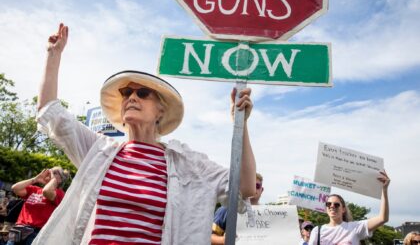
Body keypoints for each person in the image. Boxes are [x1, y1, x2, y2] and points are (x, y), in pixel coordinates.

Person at [32, 23, 257, 245]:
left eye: (142, 93)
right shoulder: (99, 151)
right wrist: (53, 55)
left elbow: (245, 186)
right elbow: (50, 112)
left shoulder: (187, 164)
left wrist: (240, 124)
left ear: (161, 110)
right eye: (126, 92)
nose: (132, 97)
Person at [308, 170, 390, 245]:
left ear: (343, 209)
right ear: (326, 208)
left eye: (336, 204)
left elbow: (383, 218)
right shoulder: (317, 231)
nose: (332, 206)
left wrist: (384, 190)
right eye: (329, 204)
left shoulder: (355, 227)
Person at [8, 167, 68, 245]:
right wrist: (35, 179)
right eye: (50, 170)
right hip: (19, 229)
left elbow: (46, 191)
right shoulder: (34, 189)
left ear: (60, 180)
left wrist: (54, 180)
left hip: (36, 233)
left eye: (55, 172)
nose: (50, 173)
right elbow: (15, 188)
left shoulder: (60, 193)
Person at [211, 173, 263, 244]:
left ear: (262, 190)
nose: (252, 189)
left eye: (257, 186)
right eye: (249, 185)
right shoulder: (226, 209)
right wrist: (222, 240)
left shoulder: (270, 213)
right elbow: (209, 236)